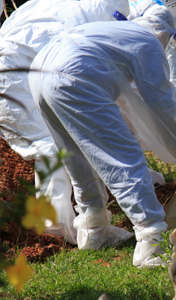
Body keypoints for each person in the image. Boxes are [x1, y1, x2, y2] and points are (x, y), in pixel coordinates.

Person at [29, 15, 176, 267]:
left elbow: (124, 98)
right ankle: (151, 242)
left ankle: (94, 229)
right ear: (166, 34)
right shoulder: (147, 42)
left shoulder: (115, 33)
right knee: (122, 158)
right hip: (73, 71)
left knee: (75, 157)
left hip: (39, 72)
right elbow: (163, 106)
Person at [0, 0, 131, 245]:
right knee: (52, 147)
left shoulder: (56, 7)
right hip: (15, 81)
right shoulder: (89, 25)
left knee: (56, 144)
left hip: (21, 74)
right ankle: (58, 228)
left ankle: (67, 223)